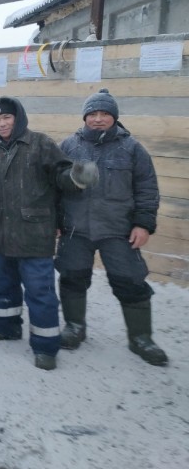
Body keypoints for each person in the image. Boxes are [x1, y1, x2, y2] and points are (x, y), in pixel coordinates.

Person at [0, 96, 99, 371]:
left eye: (6, 117)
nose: (2, 123)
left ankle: (45, 347)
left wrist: (77, 176)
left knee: (40, 293)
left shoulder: (40, 144)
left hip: (34, 235)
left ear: (18, 118)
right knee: (2, 285)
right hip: (0, 234)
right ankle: (6, 326)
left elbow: (61, 174)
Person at [56, 89, 167, 366]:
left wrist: (143, 224)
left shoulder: (132, 149)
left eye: (104, 114)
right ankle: (74, 327)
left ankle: (141, 338)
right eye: (92, 114)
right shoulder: (68, 146)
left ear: (114, 117)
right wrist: (55, 222)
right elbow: (53, 187)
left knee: (131, 281)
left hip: (118, 229)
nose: (97, 119)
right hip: (75, 228)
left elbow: (147, 189)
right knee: (72, 277)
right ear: (84, 117)